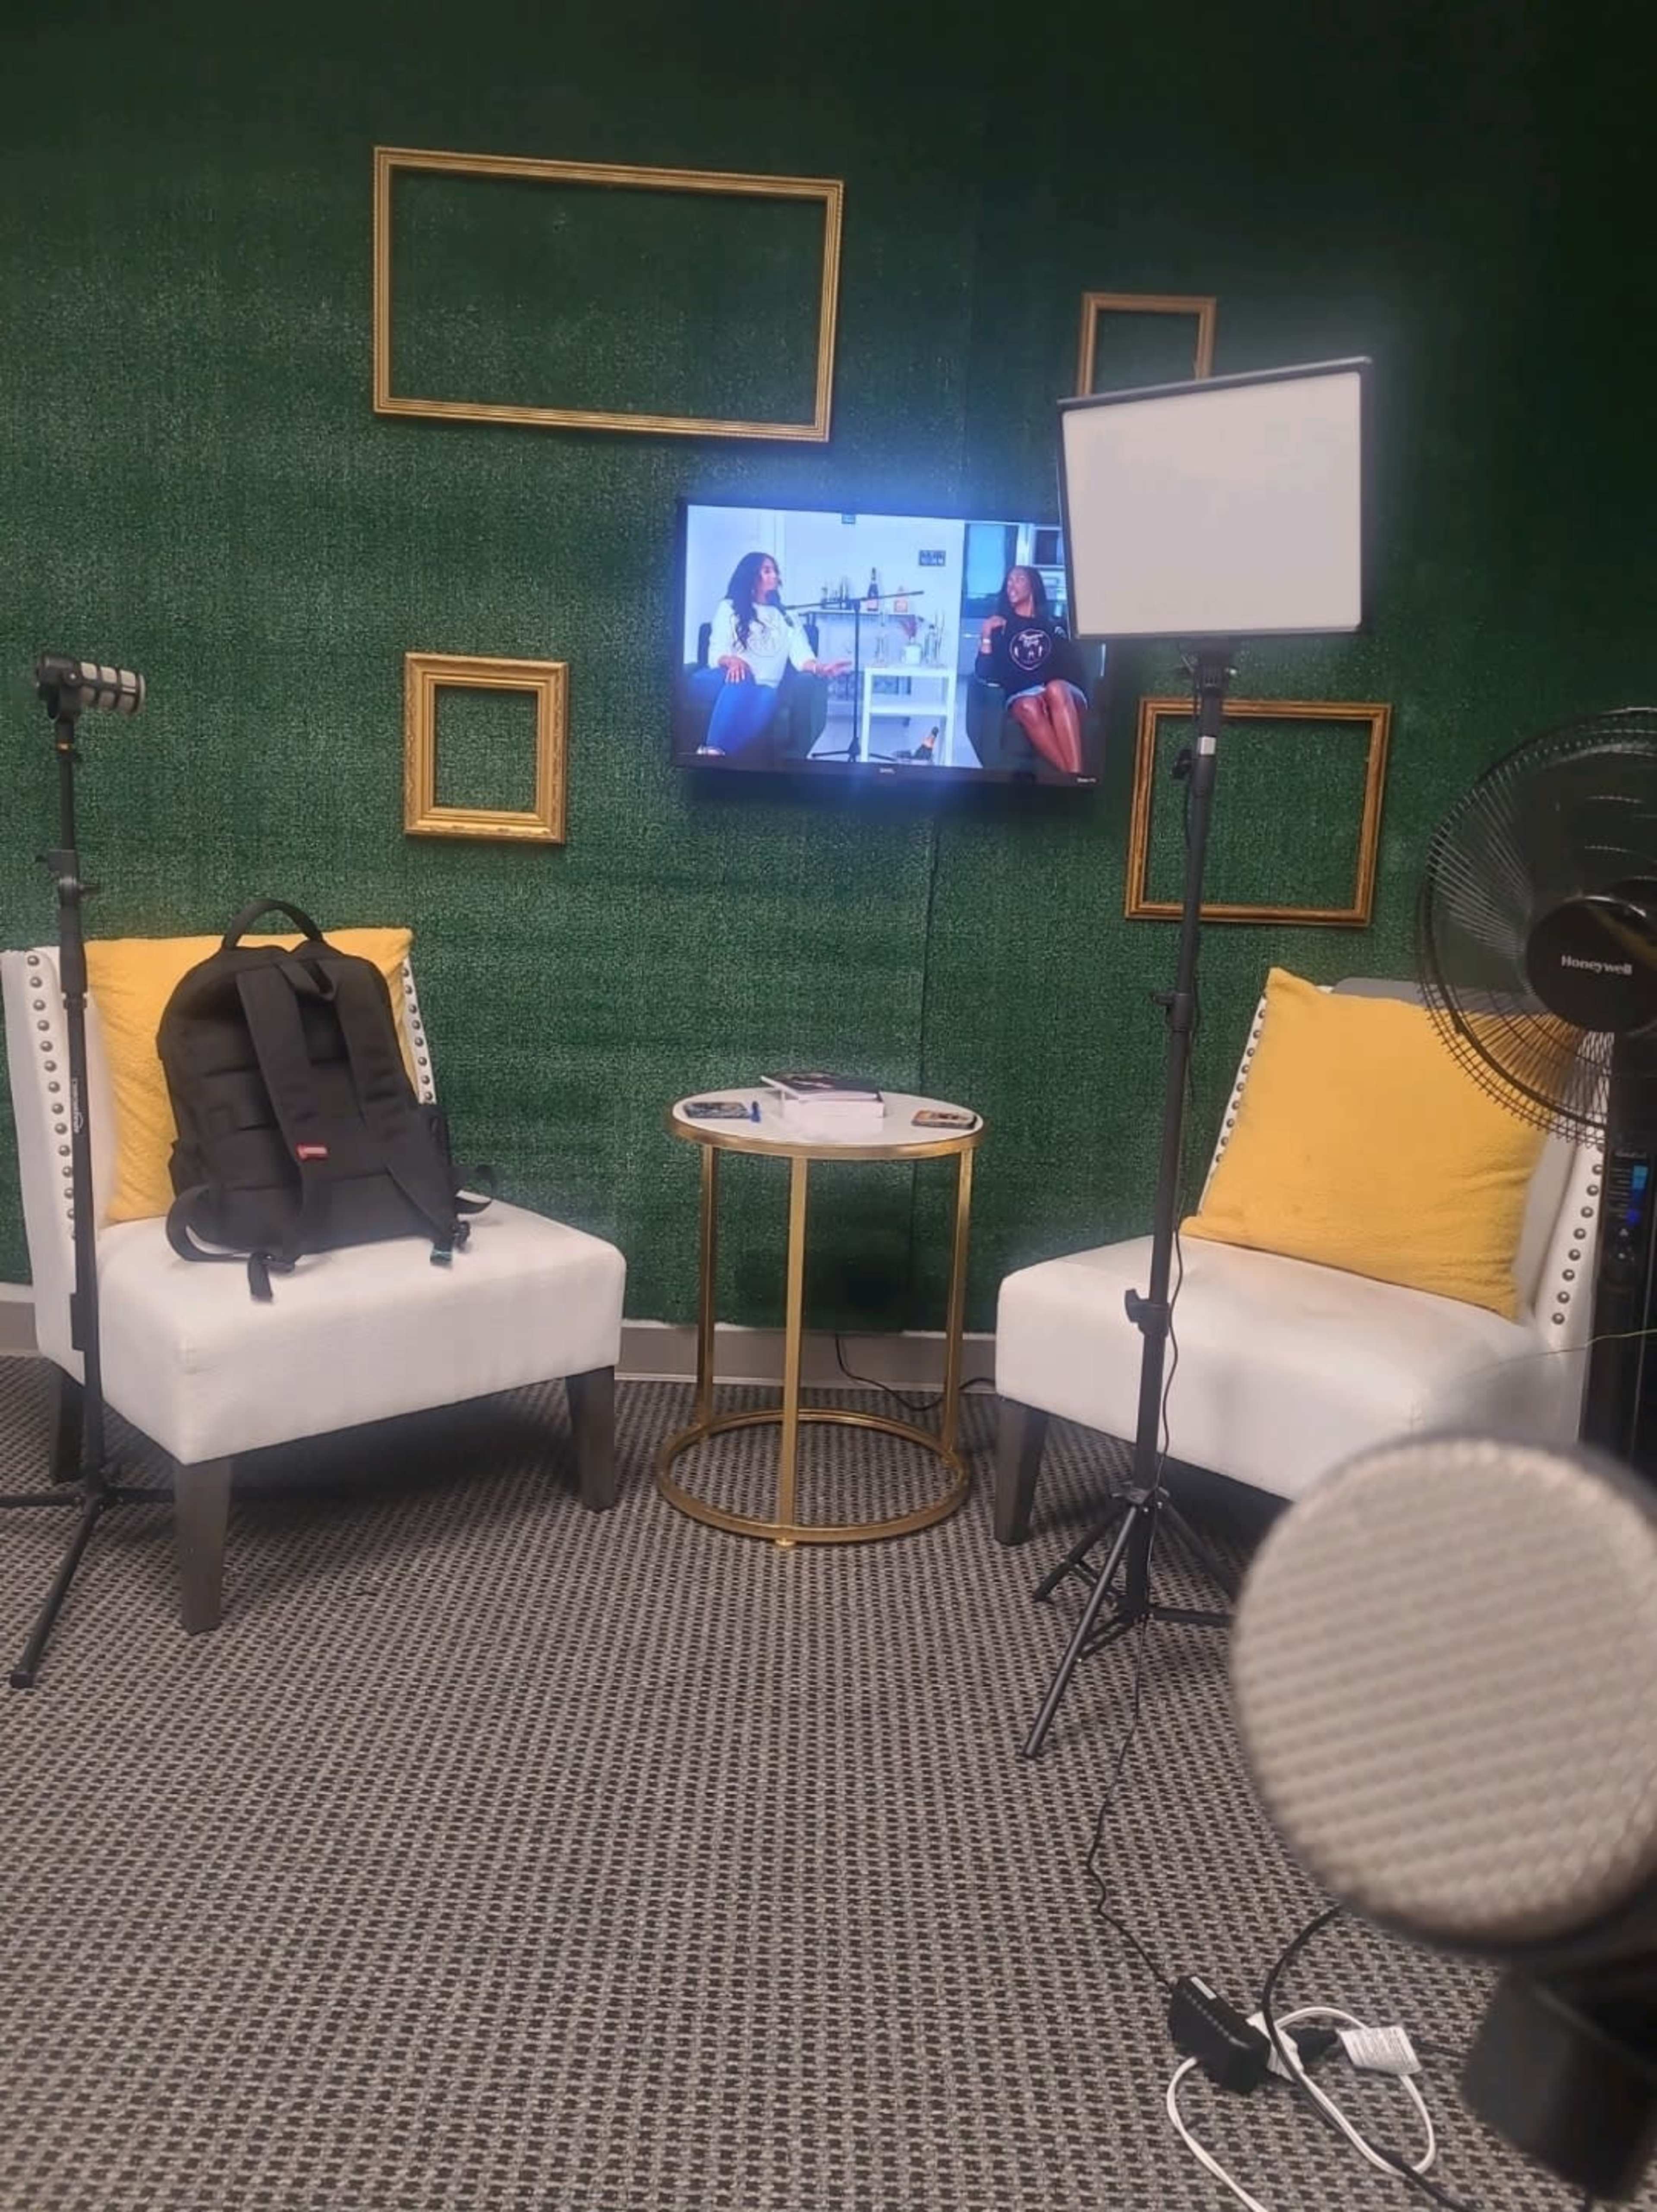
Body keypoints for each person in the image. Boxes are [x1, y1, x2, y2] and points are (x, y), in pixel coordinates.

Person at [697, 553, 850, 757]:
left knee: (769, 695)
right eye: (767, 571)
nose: (775, 576)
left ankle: (715, 754)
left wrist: (821, 668)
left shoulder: (788, 618)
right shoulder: (729, 608)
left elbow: (802, 655)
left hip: (763, 687)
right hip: (721, 680)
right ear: (751, 576)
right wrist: (732, 661)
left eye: (776, 572)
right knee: (743, 677)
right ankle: (713, 752)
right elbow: (715, 653)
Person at [973, 566, 1088, 776]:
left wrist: (1046, 691)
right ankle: (1074, 776)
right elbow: (984, 673)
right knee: (1028, 705)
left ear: (1032, 586)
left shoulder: (1053, 625)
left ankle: (1072, 777)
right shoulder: (1000, 627)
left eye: (1018, 580)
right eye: (1009, 581)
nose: (1011, 585)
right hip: (1021, 696)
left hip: (1061, 692)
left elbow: (1073, 668)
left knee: (1056, 689)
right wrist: (987, 633)